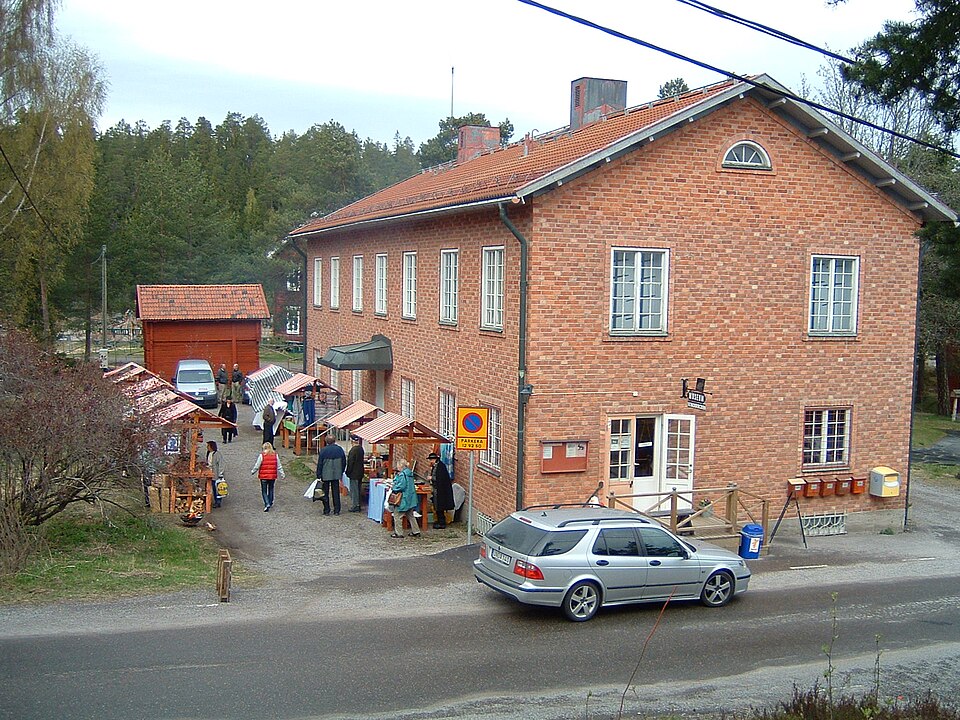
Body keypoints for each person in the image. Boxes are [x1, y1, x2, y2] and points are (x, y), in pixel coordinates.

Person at [389, 458, 420, 539]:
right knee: (410, 515)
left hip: (403, 498)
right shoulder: (409, 473)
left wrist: (393, 488)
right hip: (411, 497)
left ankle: (399, 533)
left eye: (398, 465)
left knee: (397, 515)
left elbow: (401, 486)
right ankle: (416, 531)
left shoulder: (403, 475)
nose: (397, 467)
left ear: (401, 466)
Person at [315, 434, 346, 515]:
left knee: (325, 492)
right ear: (334, 441)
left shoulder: (323, 450)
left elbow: (320, 464)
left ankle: (326, 510)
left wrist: (318, 475)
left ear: (326, 441)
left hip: (325, 474)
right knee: (336, 492)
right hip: (336, 474)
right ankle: (337, 510)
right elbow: (343, 462)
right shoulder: (340, 449)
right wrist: (341, 471)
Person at [251, 441, 284, 512]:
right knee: (271, 489)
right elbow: (279, 466)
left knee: (264, 491)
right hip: (272, 476)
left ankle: (267, 503)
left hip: (263, 476)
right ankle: (270, 501)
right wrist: (282, 473)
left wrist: (253, 471)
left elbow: (257, 465)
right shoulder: (275, 455)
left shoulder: (262, 456)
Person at [427, 452, 454, 529]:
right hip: (437, 490)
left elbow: (440, 478)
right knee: (437, 506)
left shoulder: (440, 467)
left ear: (434, 459)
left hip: (441, 491)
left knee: (440, 507)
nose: (430, 461)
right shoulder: (436, 466)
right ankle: (439, 520)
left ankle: (442, 522)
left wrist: (431, 478)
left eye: (431, 460)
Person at [345, 435, 365, 513]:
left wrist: (347, 471)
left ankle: (355, 505)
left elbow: (350, 463)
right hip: (360, 472)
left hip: (354, 473)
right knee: (358, 488)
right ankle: (358, 504)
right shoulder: (361, 449)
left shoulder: (353, 450)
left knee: (354, 490)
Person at [207, 440, 225, 508]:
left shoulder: (217, 454)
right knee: (214, 488)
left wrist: (220, 473)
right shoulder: (209, 453)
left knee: (218, 488)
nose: (207, 447)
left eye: (208, 446)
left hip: (216, 474)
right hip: (211, 473)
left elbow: (221, 464)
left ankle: (218, 501)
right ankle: (216, 500)